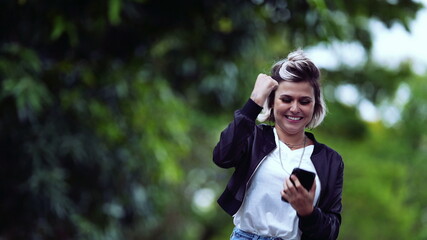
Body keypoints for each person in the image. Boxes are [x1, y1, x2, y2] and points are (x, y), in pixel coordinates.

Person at [213, 49, 344, 240]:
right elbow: (222, 157)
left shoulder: (330, 160)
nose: (295, 108)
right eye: (286, 99)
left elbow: (330, 233)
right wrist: (254, 102)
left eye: (304, 101)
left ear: (315, 106)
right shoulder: (254, 137)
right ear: (272, 102)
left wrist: (308, 211)